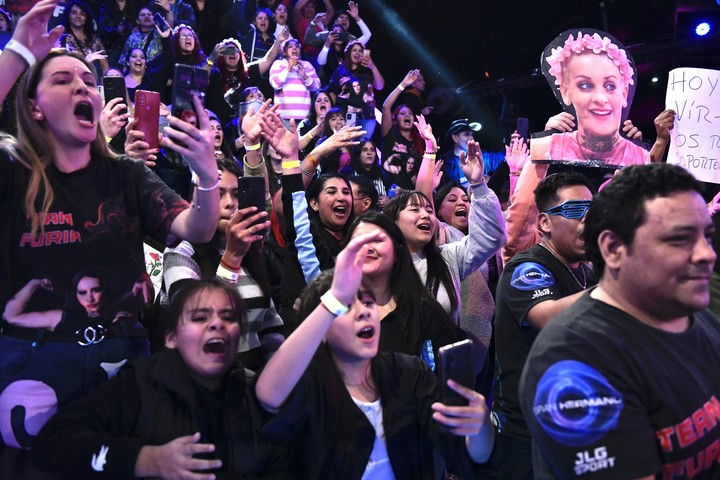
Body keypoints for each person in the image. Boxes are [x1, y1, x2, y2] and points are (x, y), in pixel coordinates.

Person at [0, 0, 219, 448]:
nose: (83, 87)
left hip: (121, 355)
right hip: (34, 359)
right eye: (63, 80)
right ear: (34, 108)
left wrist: (208, 177)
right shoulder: (14, 169)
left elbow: (197, 229)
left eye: (89, 81)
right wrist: (19, 54)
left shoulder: (127, 173)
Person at [519, 163, 720, 478]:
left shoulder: (696, 317)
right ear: (613, 249)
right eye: (680, 239)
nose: (707, 254)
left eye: (706, 236)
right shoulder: (572, 359)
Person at [254, 229, 494, 479]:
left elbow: (473, 454)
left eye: (368, 302)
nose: (363, 311)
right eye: (346, 306)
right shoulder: (309, 385)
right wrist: (335, 295)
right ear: (322, 327)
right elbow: (268, 395)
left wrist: (481, 427)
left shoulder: (409, 374)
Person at [31, 279, 291, 478]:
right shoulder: (138, 384)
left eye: (229, 317)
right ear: (171, 338)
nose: (217, 324)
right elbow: (53, 443)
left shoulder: (257, 394)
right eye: (200, 317)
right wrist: (146, 459)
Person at [491, 172, 597, 479]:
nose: (588, 221)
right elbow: (548, 317)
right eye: (576, 211)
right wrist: (622, 279)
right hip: (526, 434)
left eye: (594, 212)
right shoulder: (527, 268)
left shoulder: (588, 272)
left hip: (575, 426)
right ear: (545, 224)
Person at [162, 158, 285, 370]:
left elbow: (270, 325)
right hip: (200, 377)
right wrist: (232, 258)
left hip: (252, 378)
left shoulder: (250, 249)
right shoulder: (181, 251)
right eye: (218, 195)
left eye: (237, 195)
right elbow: (200, 317)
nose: (230, 203)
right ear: (197, 199)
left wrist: (275, 373)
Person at [530, 31, 650, 165]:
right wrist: (547, 146)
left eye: (610, 86)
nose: (600, 98)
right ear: (565, 92)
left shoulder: (640, 156)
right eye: (585, 85)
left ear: (624, 93)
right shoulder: (547, 147)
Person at [268, 38, 321, 122]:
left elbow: (317, 87)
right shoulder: (278, 64)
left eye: (297, 46)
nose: (294, 48)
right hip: (283, 117)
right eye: (290, 46)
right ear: (284, 52)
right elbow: (275, 84)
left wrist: (305, 76)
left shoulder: (307, 65)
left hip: (304, 117)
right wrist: (288, 68)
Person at [57, 0, 110, 74]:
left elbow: (104, 65)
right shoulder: (61, 38)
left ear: (87, 17)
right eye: (74, 13)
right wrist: (87, 60)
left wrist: (105, 82)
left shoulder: (94, 39)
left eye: (82, 14)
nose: (78, 16)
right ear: (68, 15)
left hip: (93, 80)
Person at [439, 118, 481, 189]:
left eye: (472, 134)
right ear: (455, 138)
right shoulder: (444, 162)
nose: (471, 138)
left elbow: (498, 158)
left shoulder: (481, 156)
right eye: (466, 134)